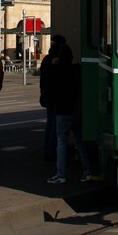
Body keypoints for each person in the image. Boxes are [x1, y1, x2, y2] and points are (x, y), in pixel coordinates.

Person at [45, 42, 99, 184]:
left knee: (61, 143)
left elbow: (50, 88)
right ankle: (87, 171)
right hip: (76, 110)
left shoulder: (57, 71)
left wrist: (53, 64)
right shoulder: (76, 70)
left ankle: (61, 174)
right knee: (80, 143)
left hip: (62, 110)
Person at [39, 35, 66, 161]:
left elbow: (42, 78)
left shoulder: (46, 59)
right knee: (56, 124)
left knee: (50, 122)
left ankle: (47, 149)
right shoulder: (59, 59)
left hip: (48, 94)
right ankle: (51, 150)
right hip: (58, 95)